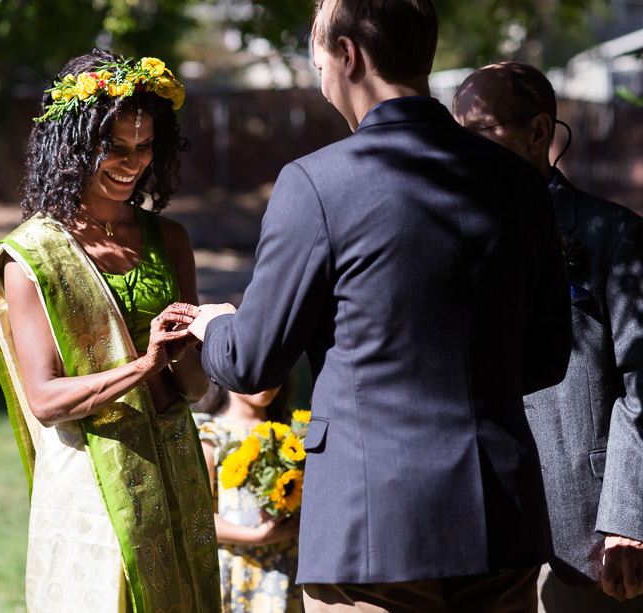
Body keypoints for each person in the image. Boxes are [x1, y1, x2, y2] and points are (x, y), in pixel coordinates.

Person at [178, 0, 574, 610]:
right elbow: (548, 357)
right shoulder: (519, 181)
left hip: (373, 530)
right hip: (501, 516)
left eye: (317, 65)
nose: (321, 83)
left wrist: (215, 325)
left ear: (347, 55)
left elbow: (254, 361)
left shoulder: (316, 182)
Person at [0, 49, 221, 613]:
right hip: (92, 487)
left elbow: (195, 390)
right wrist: (142, 364)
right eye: (115, 147)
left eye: (145, 146)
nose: (132, 163)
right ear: (75, 146)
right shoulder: (34, 256)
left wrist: (202, 338)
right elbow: (45, 399)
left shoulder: (170, 239)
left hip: (175, 471)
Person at [453, 61, 643, 612]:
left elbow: (641, 385)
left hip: (589, 539)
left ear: (538, 132)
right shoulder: (450, 236)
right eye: (455, 134)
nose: (464, 150)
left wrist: (626, 517)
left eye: (480, 132)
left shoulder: (614, 237)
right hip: (477, 536)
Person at [197, 380, 303, 613]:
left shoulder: (294, 435)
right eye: (252, 369)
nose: (265, 379)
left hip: (288, 570)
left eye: (273, 369)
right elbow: (197, 519)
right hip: (235, 573)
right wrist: (258, 537)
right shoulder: (211, 435)